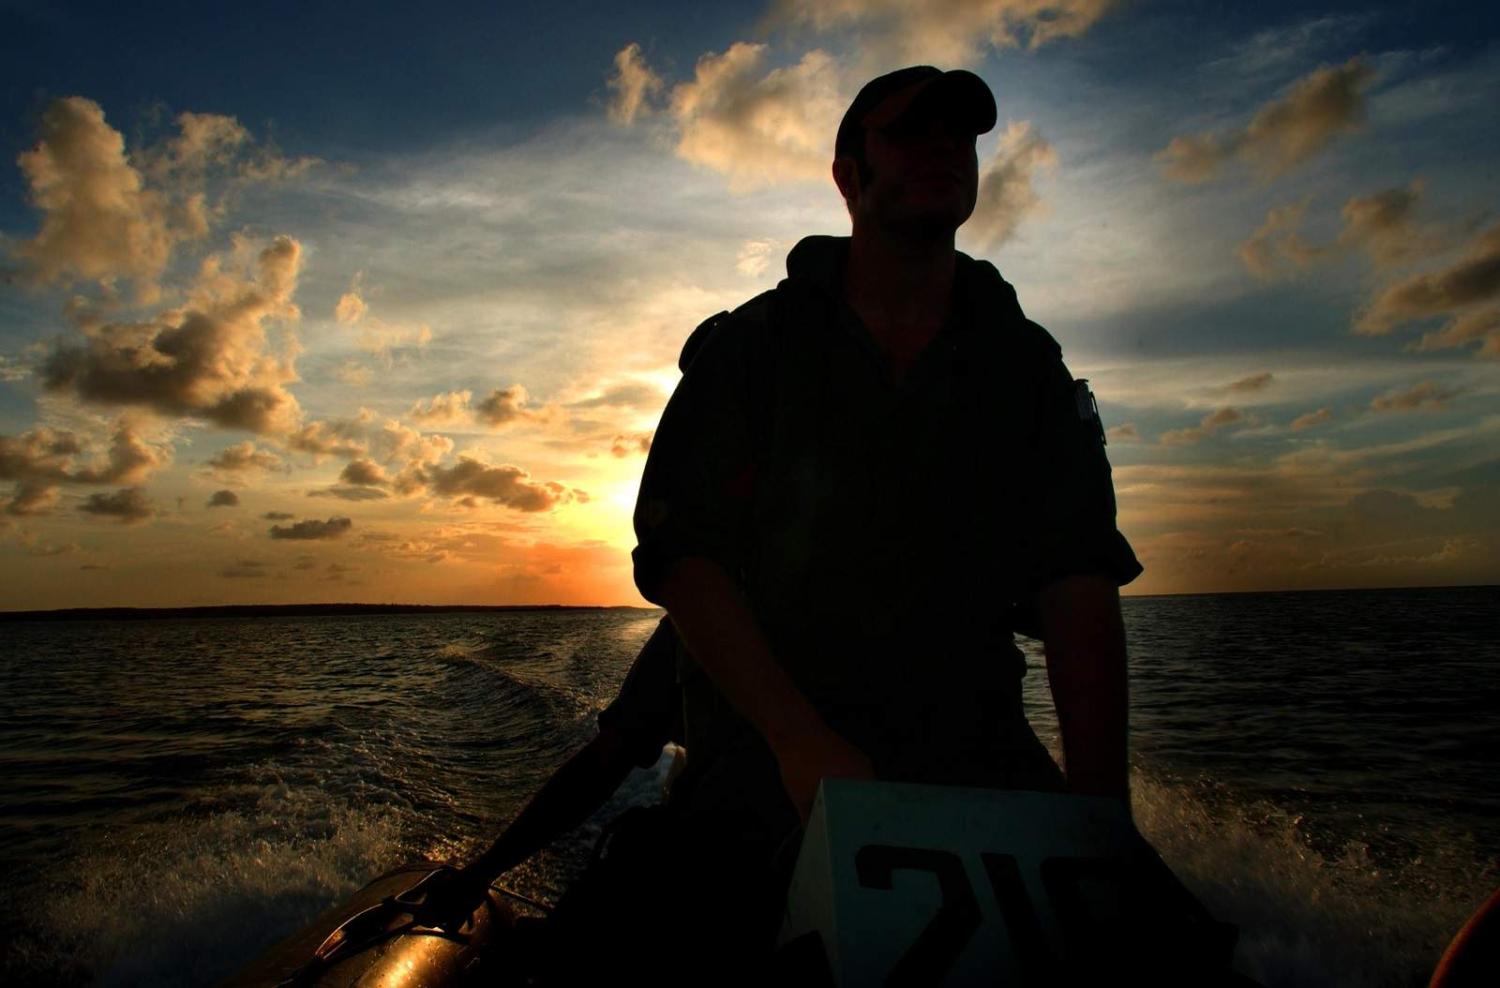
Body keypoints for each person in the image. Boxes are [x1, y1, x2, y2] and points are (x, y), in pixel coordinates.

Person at [629, 65, 1143, 972]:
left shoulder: (1024, 365)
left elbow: (1078, 578)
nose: (944, 147)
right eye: (910, 131)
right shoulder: (756, 345)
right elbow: (682, 557)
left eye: (962, 134)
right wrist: (799, 744)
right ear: (847, 175)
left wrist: (1099, 813)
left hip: (974, 746)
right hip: (770, 749)